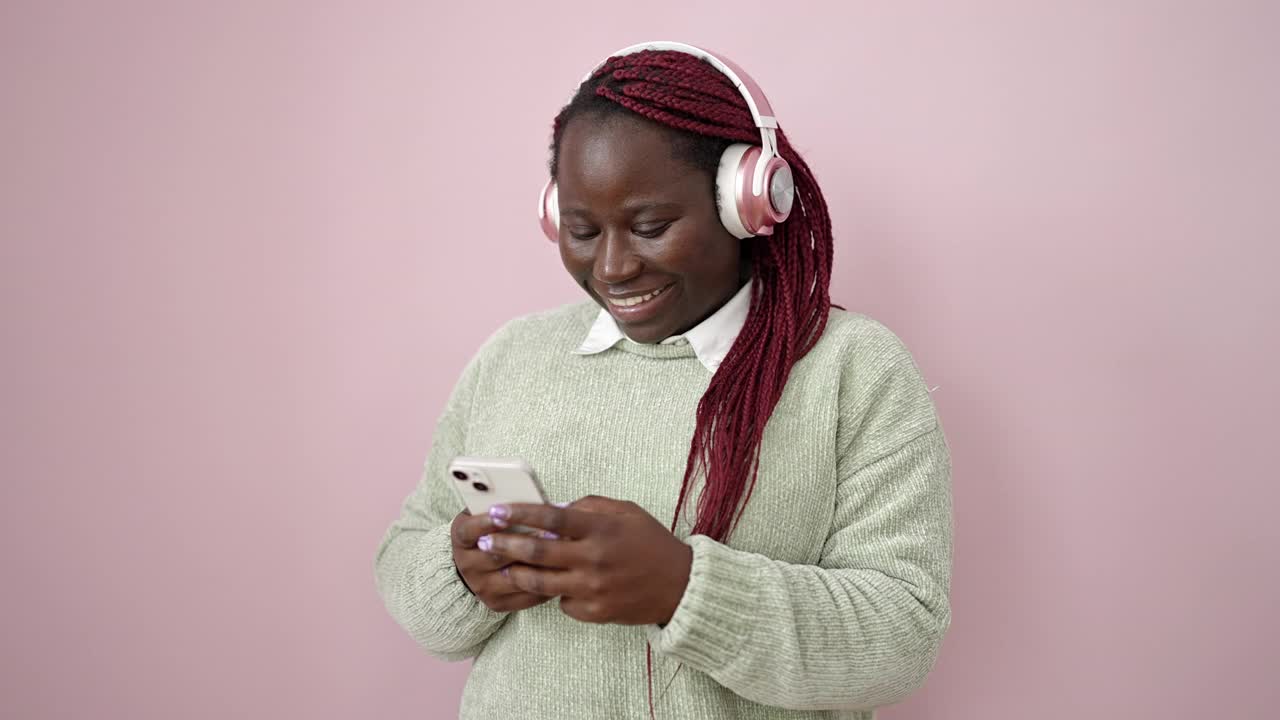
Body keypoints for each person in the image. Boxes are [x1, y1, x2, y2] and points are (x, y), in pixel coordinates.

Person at [374, 41, 953, 720]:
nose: (614, 267)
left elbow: (901, 634)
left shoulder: (852, 370)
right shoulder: (513, 357)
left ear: (746, 201)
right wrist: (461, 575)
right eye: (583, 231)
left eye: (650, 226)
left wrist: (685, 590)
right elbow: (406, 557)